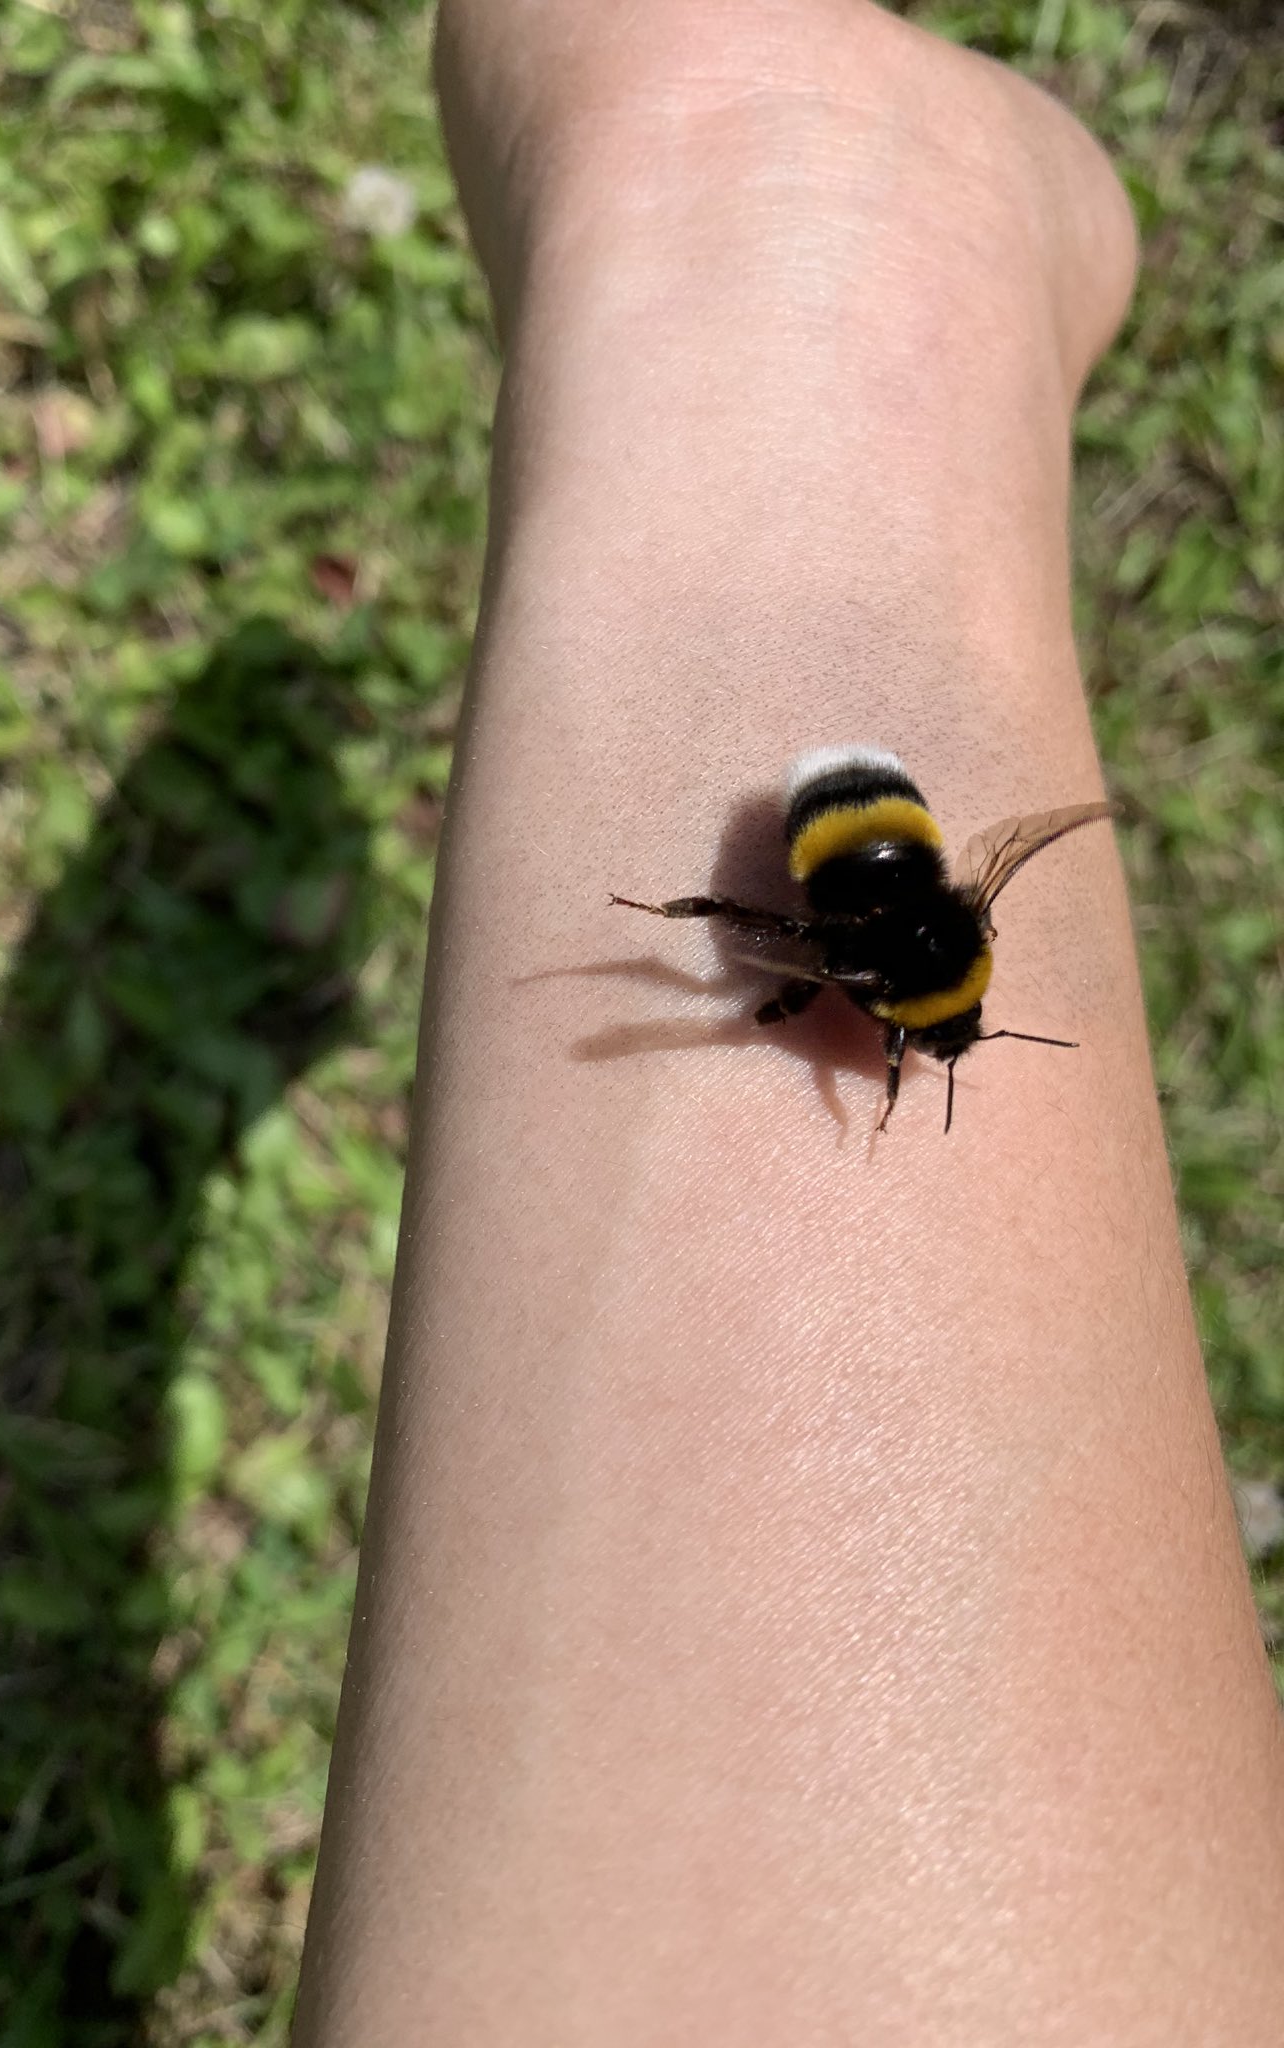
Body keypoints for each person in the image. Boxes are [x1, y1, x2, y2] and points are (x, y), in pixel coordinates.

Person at [293, 3, 1284, 2040]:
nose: (916, 1040)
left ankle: (781, 266)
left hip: (862, 812)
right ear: (915, 993)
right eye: (933, 1030)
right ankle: (811, 296)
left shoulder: (909, 963)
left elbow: (956, 913)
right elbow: (919, 930)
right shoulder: (879, 974)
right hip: (854, 814)